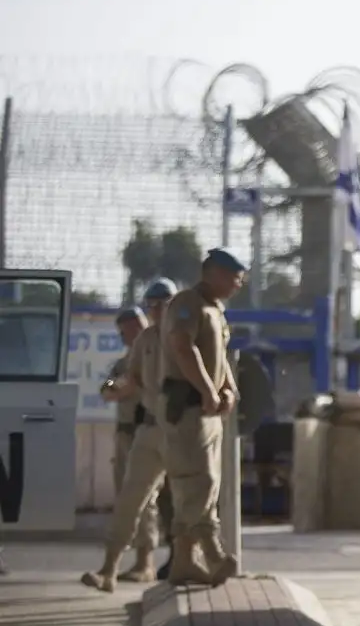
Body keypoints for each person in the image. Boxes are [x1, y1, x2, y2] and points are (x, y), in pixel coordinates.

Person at [82, 279, 179, 591]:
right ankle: (109, 569)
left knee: (186, 503)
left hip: (178, 430)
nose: (157, 310)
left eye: (163, 304)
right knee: (131, 500)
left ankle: (180, 561)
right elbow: (125, 383)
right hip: (145, 432)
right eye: (152, 305)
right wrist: (118, 387)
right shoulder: (145, 344)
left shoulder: (184, 337)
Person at [159, 249, 245, 587]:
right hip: (188, 407)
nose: (238, 286)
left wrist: (228, 389)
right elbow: (183, 347)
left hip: (209, 411)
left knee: (205, 485)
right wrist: (208, 390)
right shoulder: (187, 303)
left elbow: (219, 358)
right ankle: (206, 555)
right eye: (234, 279)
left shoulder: (216, 310)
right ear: (213, 273)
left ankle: (186, 561)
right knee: (198, 481)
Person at [98, 306, 161, 581]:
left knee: (144, 498)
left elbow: (132, 386)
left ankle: (145, 562)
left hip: (144, 432)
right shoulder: (125, 361)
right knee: (126, 499)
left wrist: (120, 387)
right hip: (125, 434)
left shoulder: (153, 356)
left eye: (130, 328)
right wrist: (117, 386)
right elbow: (109, 390)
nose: (126, 335)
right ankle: (122, 563)